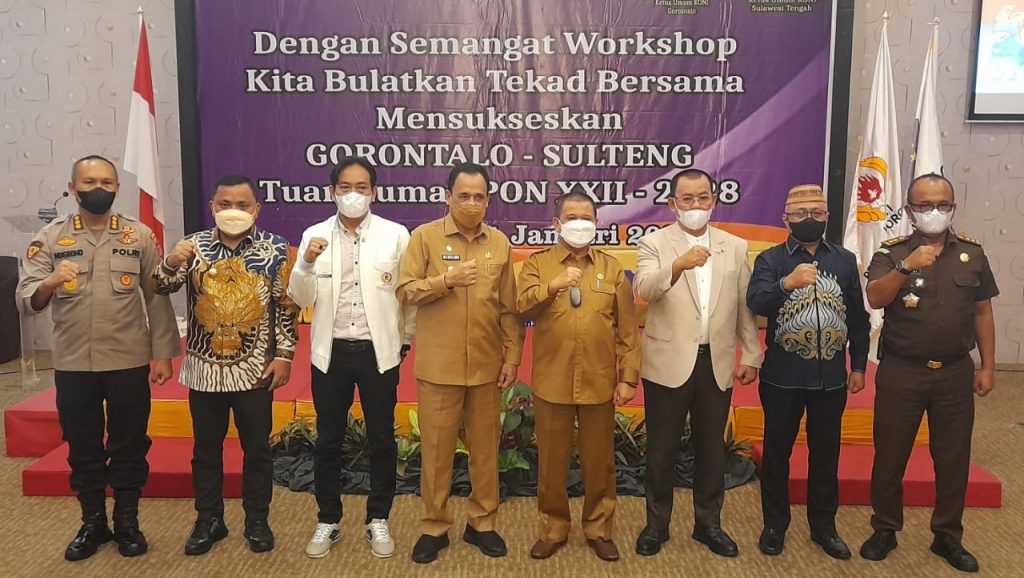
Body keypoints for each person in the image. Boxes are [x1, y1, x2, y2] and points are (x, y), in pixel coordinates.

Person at [16, 155, 180, 561]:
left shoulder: (138, 235)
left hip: (127, 360)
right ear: (73, 187)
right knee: (82, 445)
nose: (98, 189)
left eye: (107, 182)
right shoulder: (50, 237)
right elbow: (26, 300)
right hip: (74, 363)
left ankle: (127, 521)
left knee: (130, 443)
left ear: (117, 187)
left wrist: (163, 354)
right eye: (89, 182)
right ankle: (92, 522)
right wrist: (50, 282)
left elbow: (156, 295)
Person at [859, 173, 998, 574]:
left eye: (942, 204)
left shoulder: (972, 253)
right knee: (890, 456)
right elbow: (875, 297)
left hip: (954, 373)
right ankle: (885, 529)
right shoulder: (892, 251)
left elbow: (983, 312)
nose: (934, 212)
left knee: (953, 459)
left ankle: (948, 536)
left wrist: (988, 367)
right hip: (902, 372)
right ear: (909, 210)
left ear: (953, 207)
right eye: (924, 205)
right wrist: (906, 266)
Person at [155, 174, 299, 556]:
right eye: (224, 204)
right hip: (204, 372)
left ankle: (257, 521)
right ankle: (208, 520)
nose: (233, 211)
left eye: (242, 205)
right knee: (206, 451)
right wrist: (170, 261)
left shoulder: (276, 249)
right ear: (212, 207)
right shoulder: (193, 247)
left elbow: (287, 307)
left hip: (255, 372)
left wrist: (284, 355)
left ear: (257, 209)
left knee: (258, 451)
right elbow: (160, 286)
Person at [396, 162, 525, 564]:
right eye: (463, 195)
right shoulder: (425, 237)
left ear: (488, 200)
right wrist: (445, 282)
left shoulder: (499, 243)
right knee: (437, 454)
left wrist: (513, 357)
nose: (471, 203)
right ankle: (434, 527)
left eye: (479, 197)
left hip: (486, 367)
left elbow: (509, 307)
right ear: (447, 197)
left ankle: (481, 523)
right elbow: (405, 291)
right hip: (439, 368)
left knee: (485, 451)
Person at [288, 157, 415, 559]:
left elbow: (408, 294)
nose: (353, 195)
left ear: (374, 192)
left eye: (362, 187)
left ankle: (379, 518)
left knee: (382, 439)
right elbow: (300, 298)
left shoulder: (396, 235)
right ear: (332, 192)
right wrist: (306, 262)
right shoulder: (314, 234)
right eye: (345, 187)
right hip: (331, 354)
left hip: (379, 354)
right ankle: (328, 519)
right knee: (328, 439)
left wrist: (405, 340)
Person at [632, 168, 762, 558]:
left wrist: (751, 354)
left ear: (714, 201)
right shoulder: (654, 243)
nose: (695, 205)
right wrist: (678, 265)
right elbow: (644, 289)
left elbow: (744, 306)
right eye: (687, 199)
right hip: (667, 363)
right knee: (661, 451)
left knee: (711, 451)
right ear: (673, 204)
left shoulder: (734, 246)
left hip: (715, 362)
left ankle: (709, 525)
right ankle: (656, 525)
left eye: (703, 197)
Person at [747, 184, 870, 559]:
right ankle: (774, 526)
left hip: (831, 378)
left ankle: (824, 528)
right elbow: (756, 301)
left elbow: (858, 317)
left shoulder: (845, 260)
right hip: (782, 377)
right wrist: (787, 283)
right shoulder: (770, 259)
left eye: (816, 213)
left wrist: (859, 364)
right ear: (785, 219)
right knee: (776, 455)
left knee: (826, 455)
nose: (809, 219)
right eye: (800, 214)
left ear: (827, 217)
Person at [517, 192, 641, 562]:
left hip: (599, 382)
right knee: (551, 464)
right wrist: (552, 286)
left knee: (599, 463)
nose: (580, 223)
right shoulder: (538, 264)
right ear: (557, 224)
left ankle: (599, 529)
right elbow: (521, 306)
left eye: (586, 217)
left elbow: (627, 330)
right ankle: (553, 529)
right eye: (572, 217)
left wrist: (628, 377)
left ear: (596, 223)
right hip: (552, 382)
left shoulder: (611, 268)